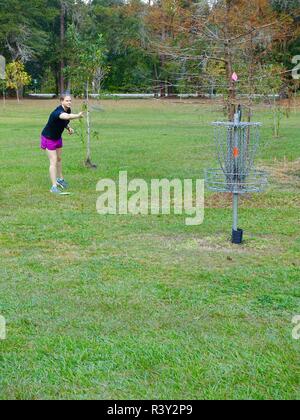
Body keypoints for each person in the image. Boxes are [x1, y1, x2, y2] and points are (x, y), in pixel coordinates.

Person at [41, 94, 84, 194]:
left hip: (57, 138)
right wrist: (78, 116)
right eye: (67, 101)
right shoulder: (57, 112)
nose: (69, 102)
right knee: (53, 161)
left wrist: (68, 128)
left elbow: (64, 121)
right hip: (49, 138)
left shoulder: (67, 109)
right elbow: (66, 116)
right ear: (61, 101)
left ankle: (60, 179)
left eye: (70, 100)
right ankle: (54, 186)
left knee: (59, 159)